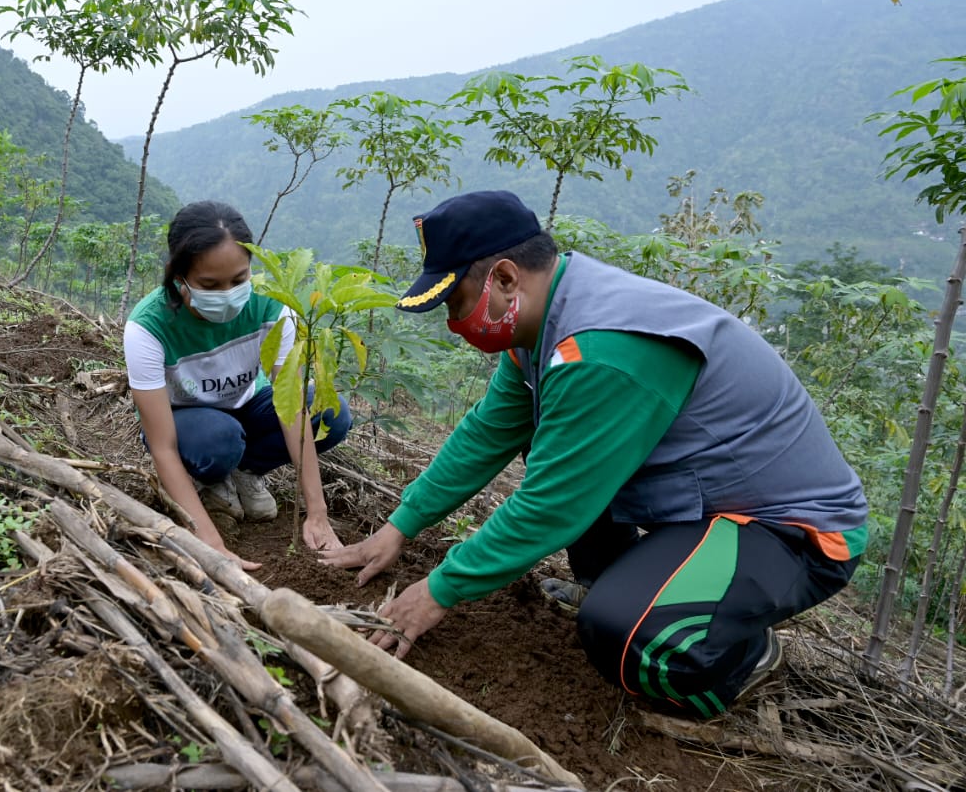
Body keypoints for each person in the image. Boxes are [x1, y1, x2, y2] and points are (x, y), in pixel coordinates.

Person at [321, 189, 868, 717]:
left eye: (457, 303)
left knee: (627, 638)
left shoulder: (600, 346)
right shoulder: (545, 323)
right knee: (553, 438)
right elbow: (487, 433)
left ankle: (742, 658)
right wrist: (401, 525)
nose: (454, 322)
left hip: (791, 532)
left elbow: (552, 505)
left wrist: (438, 590)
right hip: (706, 507)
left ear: (506, 278)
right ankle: (619, 583)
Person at [125, 200, 351, 567]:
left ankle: (245, 472)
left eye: (238, 280)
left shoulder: (271, 307)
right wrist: (210, 544)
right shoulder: (147, 327)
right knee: (219, 439)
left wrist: (317, 512)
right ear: (178, 275)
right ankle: (210, 478)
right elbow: (163, 447)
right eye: (209, 285)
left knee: (331, 414)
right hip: (187, 423)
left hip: (246, 405)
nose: (228, 294)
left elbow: (291, 407)